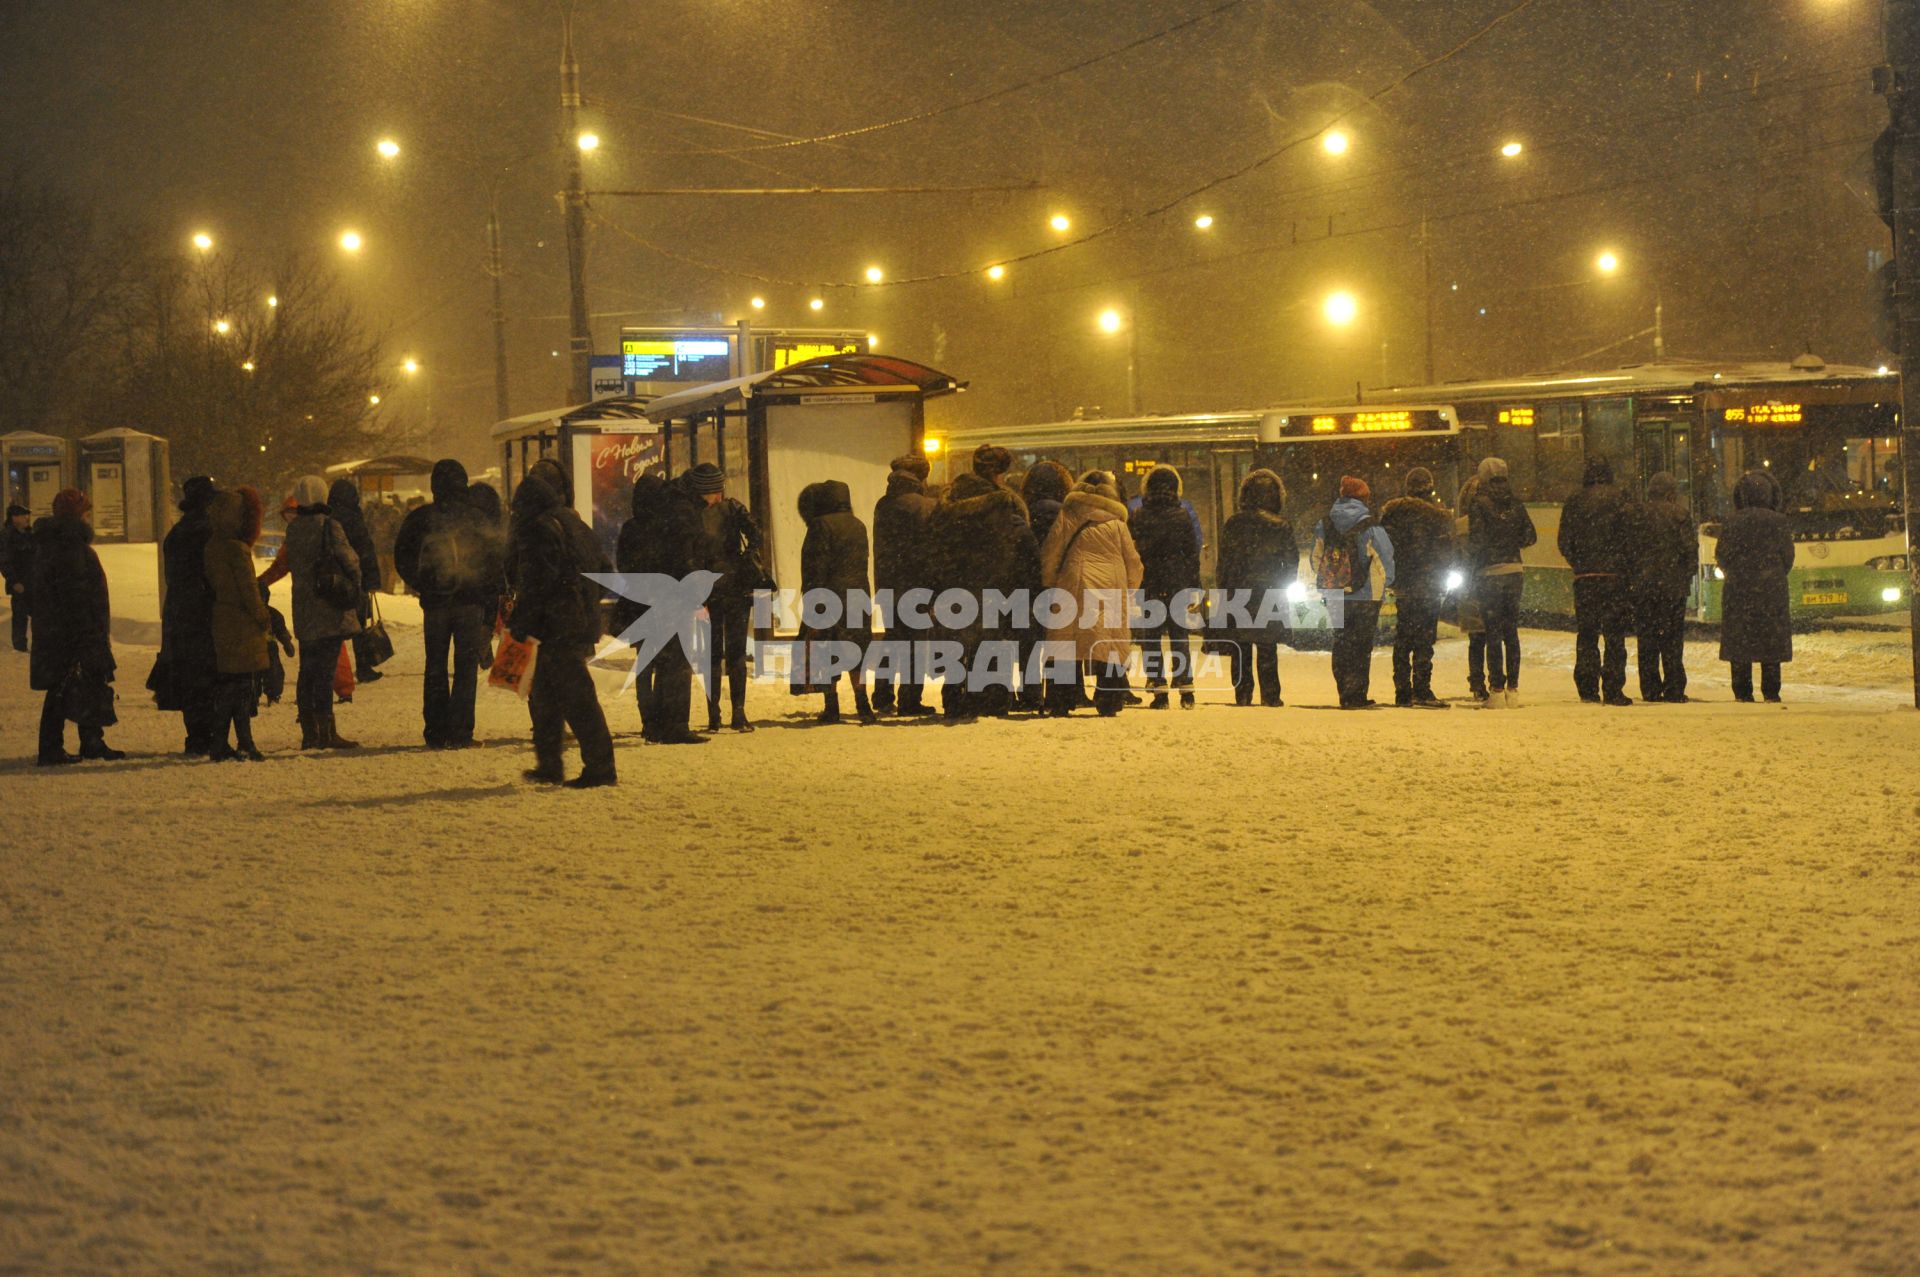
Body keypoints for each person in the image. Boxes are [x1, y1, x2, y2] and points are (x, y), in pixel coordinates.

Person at [509, 467, 622, 782]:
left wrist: (522, 622)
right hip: (573, 621)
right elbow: (602, 571)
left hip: (554, 626)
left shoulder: (537, 529)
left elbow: (537, 584)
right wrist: (585, 604)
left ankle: (600, 768)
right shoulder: (574, 522)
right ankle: (550, 765)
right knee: (546, 696)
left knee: (576, 699)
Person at [927, 444, 1039, 719]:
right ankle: (990, 699)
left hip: (953, 584)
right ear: (998, 473)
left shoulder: (946, 503)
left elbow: (932, 547)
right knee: (990, 643)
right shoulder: (1002, 503)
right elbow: (1008, 547)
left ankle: (954, 699)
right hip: (992, 583)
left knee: (956, 644)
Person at [393, 460, 499, 749]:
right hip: (469, 602)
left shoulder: (421, 518)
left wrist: (422, 583)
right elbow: (493, 561)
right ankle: (461, 731)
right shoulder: (477, 518)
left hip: (436, 604)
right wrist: (487, 599)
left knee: (435, 666)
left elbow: (401, 556)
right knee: (466, 667)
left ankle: (436, 730)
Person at [1039, 470, 1142, 716]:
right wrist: (1129, 587)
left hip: (1073, 582)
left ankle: (1061, 699)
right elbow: (1134, 563)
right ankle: (1110, 698)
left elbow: (1051, 552)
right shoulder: (1118, 524)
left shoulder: (1068, 515)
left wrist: (1052, 582)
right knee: (1110, 641)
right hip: (1111, 588)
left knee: (1066, 641)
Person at [30, 489, 121, 765]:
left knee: (85, 682)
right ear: (77, 515)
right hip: (74, 631)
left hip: (59, 629)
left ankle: (90, 741)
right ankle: (52, 748)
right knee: (65, 686)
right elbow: (77, 594)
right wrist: (88, 631)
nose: (89, 516)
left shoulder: (51, 545)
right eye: (86, 511)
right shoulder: (71, 548)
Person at [283, 474, 363, 749]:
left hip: (304, 608)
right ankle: (327, 730)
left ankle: (309, 731)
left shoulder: (293, 530)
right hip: (328, 605)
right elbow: (350, 560)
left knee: (307, 670)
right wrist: (355, 585)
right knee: (326, 670)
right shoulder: (329, 526)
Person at [688, 462, 765, 731]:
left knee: (711, 653)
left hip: (706, 590)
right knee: (736, 652)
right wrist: (744, 558)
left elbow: (690, 556)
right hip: (735, 587)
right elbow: (756, 534)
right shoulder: (733, 508)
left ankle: (713, 715)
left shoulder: (691, 517)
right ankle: (739, 713)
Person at [1558, 457, 1638, 705]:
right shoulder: (1622, 498)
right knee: (1614, 635)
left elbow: (1564, 541)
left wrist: (1580, 564)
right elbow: (1632, 536)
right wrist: (1623, 566)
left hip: (1585, 578)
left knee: (1587, 634)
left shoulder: (1574, 501)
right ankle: (1613, 690)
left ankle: (1587, 688)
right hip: (1614, 578)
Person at [1313, 476, 1396, 709]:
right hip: (1366, 595)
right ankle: (1357, 694)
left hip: (1335, 593)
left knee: (1341, 642)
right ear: (1363, 498)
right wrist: (1385, 582)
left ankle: (1344, 694)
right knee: (1361, 645)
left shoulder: (1324, 523)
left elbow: (1316, 559)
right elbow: (1385, 558)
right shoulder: (1370, 525)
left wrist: (1332, 579)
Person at [1215, 468, 1296, 708]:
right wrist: (1281, 584)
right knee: (1267, 644)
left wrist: (1224, 587)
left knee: (1240, 644)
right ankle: (1270, 695)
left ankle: (1242, 693)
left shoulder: (1233, 523)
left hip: (1238, 589)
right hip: (1269, 590)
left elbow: (1224, 561)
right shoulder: (1281, 525)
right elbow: (1291, 562)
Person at [202, 488, 271, 761]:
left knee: (228, 685)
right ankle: (243, 741)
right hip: (242, 623)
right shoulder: (237, 549)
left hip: (222, 618)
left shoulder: (212, 545)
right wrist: (263, 617)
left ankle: (223, 741)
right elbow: (248, 591)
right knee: (241, 689)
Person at [798, 480, 875, 724]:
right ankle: (863, 705)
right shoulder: (858, 525)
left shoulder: (821, 525)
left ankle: (832, 706)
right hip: (858, 594)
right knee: (856, 651)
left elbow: (814, 567)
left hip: (830, 595)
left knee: (828, 650)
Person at [1379, 467, 1455, 709]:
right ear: (1430, 487)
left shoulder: (1392, 515)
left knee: (1403, 638)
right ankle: (1422, 689)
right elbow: (1444, 552)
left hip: (1403, 584)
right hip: (1428, 584)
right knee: (1424, 638)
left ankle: (1402, 692)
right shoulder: (1436, 517)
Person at [1716, 469, 1795, 703]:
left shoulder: (1731, 521)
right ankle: (1771, 691)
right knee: (1771, 641)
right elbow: (1787, 558)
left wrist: (1738, 573)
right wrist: (1771, 576)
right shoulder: (1779, 521)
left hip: (1738, 591)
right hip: (1772, 591)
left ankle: (1743, 692)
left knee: (1740, 641)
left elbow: (1722, 555)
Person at [1129, 465, 1202, 709]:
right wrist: (1194, 585)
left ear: (1147, 489)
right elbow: (1191, 555)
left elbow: (1134, 552)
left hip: (1150, 583)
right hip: (1177, 583)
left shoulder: (1138, 515)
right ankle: (1186, 688)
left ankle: (1158, 689)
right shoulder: (1183, 516)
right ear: (1175, 488)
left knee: (1151, 636)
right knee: (1179, 636)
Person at [1466, 457, 1536, 708]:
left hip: (1490, 573)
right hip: (1515, 571)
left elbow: (1476, 541)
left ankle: (1496, 690)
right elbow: (1530, 536)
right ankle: (1513, 690)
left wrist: (1471, 566)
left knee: (1492, 632)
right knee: (1511, 632)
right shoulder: (1516, 502)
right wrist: (1510, 542)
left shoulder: (1479, 503)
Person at [159, 475, 222, 755]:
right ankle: (207, 733)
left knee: (190, 674)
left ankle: (196, 734)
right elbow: (213, 574)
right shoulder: (208, 531)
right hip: (203, 610)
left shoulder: (177, 533)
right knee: (208, 673)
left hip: (179, 610)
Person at [872, 454, 937, 716]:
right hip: (916, 583)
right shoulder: (923, 505)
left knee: (892, 639)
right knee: (915, 644)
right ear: (921, 477)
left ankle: (882, 694)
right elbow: (929, 548)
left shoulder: (884, 504)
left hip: (889, 582)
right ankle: (910, 699)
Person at [1631, 472, 1698, 703]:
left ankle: (1650, 688)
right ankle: (1674, 688)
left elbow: (1628, 549)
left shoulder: (1638, 514)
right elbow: (1690, 550)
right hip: (1673, 587)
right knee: (1672, 640)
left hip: (1644, 586)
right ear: (1671, 493)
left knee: (1647, 638)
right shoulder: (1680, 514)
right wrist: (1685, 576)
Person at [1018, 460, 1075, 708]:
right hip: (1058, 582)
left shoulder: (1024, 511)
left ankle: (1030, 693)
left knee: (1029, 641)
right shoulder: (1065, 512)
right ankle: (1058, 695)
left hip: (1027, 582)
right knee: (1058, 639)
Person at [328, 478, 386, 682]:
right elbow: (365, 549)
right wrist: (371, 579)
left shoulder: (328, 517)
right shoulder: (354, 517)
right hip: (355, 578)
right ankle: (363, 665)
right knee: (359, 624)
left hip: (334, 579)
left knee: (335, 625)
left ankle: (335, 670)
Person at [1453, 473, 1489, 701]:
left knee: (1477, 638)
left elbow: (1457, 557)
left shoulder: (1460, 526)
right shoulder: (1493, 519)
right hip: (1489, 580)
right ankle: (1499, 682)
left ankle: (1477, 682)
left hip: (1470, 584)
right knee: (1493, 635)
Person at [3, 503, 33, 652]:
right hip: (19, 584)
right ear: (14, 518)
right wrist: (14, 581)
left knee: (39, 615)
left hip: (33, 582)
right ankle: (20, 647)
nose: (27, 518)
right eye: (23, 515)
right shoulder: (7, 536)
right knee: (20, 616)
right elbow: (4, 560)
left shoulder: (30, 533)